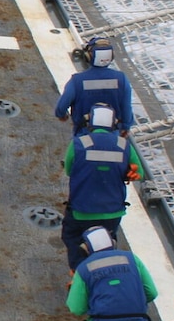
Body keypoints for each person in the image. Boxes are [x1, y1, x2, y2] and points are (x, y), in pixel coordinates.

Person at [61, 102, 145, 271]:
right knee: (105, 244)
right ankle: (102, 272)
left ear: (89, 122)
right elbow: (139, 173)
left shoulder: (78, 144)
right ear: (114, 124)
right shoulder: (124, 145)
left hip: (81, 210)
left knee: (73, 240)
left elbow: (69, 170)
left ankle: (78, 276)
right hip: (112, 211)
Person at [55, 35, 134, 134]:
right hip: (113, 134)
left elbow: (61, 106)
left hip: (84, 133)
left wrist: (62, 115)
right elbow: (126, 108)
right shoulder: (122, 79)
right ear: (111, 56)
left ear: (88, 56)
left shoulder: (77, 80)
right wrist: (126, 127)